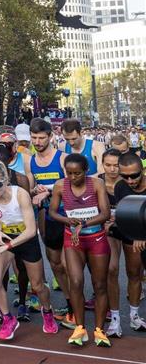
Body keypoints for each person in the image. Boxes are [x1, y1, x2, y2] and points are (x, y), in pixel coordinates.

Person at [0, 162, 58, 340]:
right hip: (7, 238)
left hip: (25, 239)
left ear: (6, 180)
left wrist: (6, 246)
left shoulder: (20, 195)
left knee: (38, 286)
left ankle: (47, 311)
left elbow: (31, 230)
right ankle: (8, 319)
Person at [48, 154, 111, 347]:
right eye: (69, 173)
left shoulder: (97, 184)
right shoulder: (60, 185)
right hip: (73, 239)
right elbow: (51, 211)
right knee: (75, 282)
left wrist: (82, 224)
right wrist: (67, 221)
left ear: (86, 171)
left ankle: (99, 330)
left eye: (77, 173)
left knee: (99, 284)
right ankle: (80, 327)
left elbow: (105, 213)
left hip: (96, 238)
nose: (73, 177)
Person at [28, 118, 71, 314]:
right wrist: (34, 189)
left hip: (68, 215)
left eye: (41, 138)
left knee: (68, 263)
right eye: (34, 137)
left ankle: (76, 305)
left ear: (51, 137)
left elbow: (73, 184)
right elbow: (30, 187)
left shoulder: (62, 158)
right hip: (48, 217)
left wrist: (50, 190)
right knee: (54, 262)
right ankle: (70, 299)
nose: (37, 142)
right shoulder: (31, 160)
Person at [114, 151, 146, 331]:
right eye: (125, 176)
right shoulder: (120, 187)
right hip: (132, 237)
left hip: (142, 236)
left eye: (134, 175)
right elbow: (125, 215)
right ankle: (134, 317)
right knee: (134, 275)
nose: (130, 180)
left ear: (142, 170)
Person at [98, 149, 125, 337]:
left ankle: (134, 313)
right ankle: (115, 319)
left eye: (116, 165)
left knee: (135, 273)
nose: (112, 169)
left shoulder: (129, 181)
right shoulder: (95, 181)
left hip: (131, 228)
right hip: (107, 230)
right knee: (112, 269)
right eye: (108, 164)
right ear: (102, 164)